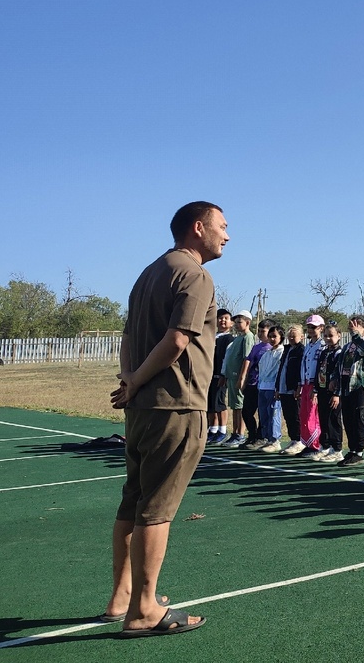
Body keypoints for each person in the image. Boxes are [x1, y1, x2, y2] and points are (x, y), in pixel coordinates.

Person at [104, 200, 226, 637]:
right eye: (222, 226)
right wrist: (136, 379)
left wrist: (131, 380)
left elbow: (126, 337)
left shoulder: (149, 272)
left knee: (133, 500)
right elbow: (177, 341)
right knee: (156, 509)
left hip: (142, 409)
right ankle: (144, 610)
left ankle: (122, 596)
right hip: (175, 405)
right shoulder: (194, 274)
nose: (226, 236)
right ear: (198, 228)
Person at [336, 316, 364, 466]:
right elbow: (339, 365)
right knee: (348, 419)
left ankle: (359, 451)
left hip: (358, 386)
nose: (352, 327)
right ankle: (352, 450)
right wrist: (334, 379)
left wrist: (356, 335)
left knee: (358, 419)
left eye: (356, 325)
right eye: (351, 325)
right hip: (346, 386)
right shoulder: (347, 346)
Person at [217, 310, 255, 446]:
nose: (237, 324)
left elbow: (247, 358)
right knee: (234, 405)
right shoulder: (238, 338)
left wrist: (242, 377)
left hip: (239, 377)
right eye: (236, 322)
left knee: (240, 405)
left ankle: (240, 434)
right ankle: (234, 432)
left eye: (240, 322)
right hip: (231, 377)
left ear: (247, 322)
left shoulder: (248, 337)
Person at [312, 322, 345, 463]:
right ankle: (325, 446)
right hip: (322, 390)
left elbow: (341, 374)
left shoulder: (340, 353)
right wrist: (315, 389)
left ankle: (337, 449)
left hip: (334, 393)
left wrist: (337, 393)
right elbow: (318, 370)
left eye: (331, 335)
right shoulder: (324, 352)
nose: (328, 338)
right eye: (325, 336)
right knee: (323, 419)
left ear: (339, 336)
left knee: (334, 420)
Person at [297, 315, 325, 457]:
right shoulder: (309, 345)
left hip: (316, 384)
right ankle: (308, 444)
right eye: (309, 327)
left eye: (314, 327)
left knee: (312, 416)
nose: (311, 330)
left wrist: (316, 387)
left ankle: (316, 445)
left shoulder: (322, 345)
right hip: (305, 383)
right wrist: (300, 385)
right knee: (303, 415)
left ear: (321, 328)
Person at [276, 324, 305, 455]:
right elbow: (281, 368)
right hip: (283, 388)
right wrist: (277, 387)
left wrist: (298, 386)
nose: (291, 338)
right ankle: (293, 439)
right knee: (287, 416)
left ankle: (299, 441)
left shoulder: (301, 350)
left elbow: (301, 370)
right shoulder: (286, 350)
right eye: (290, 336)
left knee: (295, 415)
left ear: (302, 337)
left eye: (294, 336)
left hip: (293, 388)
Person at [240, 322, 270, 449]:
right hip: (252, 383)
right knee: (246, 411)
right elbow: (248, 360)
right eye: (259, 330)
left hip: (263, 384)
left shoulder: (271, 348)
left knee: (263, 412)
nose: (260, 333)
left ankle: (261, 437)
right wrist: (243, 379)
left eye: (264, 331)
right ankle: (251, 435)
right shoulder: (256, 347)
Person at [255, 325, 284, 451]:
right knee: (264, 414)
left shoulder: (282, 352)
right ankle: (267, 438)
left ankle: (275, 440)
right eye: (270, 336)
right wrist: (260, 385)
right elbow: (261, 370)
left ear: (281, 337)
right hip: (263, 387)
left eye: (275, 336)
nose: (272, 339)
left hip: (273, 388)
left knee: (274, 413)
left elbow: (279, 371)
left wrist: (278, 387)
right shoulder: (267, 353)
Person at [207, 309, 233, 443]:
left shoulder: (229, 339)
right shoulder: (211, 336)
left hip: (221, 375)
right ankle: (213, 428)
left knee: (219, 402)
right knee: (210, 403)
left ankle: (222, 430)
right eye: (220, 318)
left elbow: (228, 359)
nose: (222, 321)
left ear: (231, 322)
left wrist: (224, 374)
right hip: (208, 375)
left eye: (226, 318)